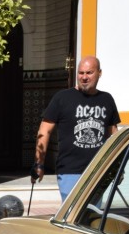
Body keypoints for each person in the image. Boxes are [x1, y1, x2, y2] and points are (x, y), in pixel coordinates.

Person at [31, 56, 120, 201]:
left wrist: (117, 166)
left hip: (98, 170)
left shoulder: (107, 99)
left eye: (89, 73)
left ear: (99, 73)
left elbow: (114, 135)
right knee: (73, 216)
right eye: (81, 73)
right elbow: (44, 131)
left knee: (92, 215)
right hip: (70, 171)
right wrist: (38, 163)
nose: (84, 77)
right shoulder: (62, 98)